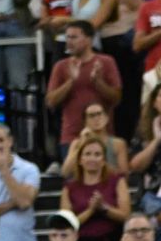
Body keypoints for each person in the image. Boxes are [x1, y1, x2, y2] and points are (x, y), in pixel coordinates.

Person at [47, 21, 124, 151]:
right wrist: (71, 81)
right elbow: (51, 101)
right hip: (71, 138)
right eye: (68, 37)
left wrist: (98, 82)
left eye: (74, 37)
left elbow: (117, 98)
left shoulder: (106, 62)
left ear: (89, 39)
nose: (69, 41)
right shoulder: (61, 66)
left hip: (103, 137)